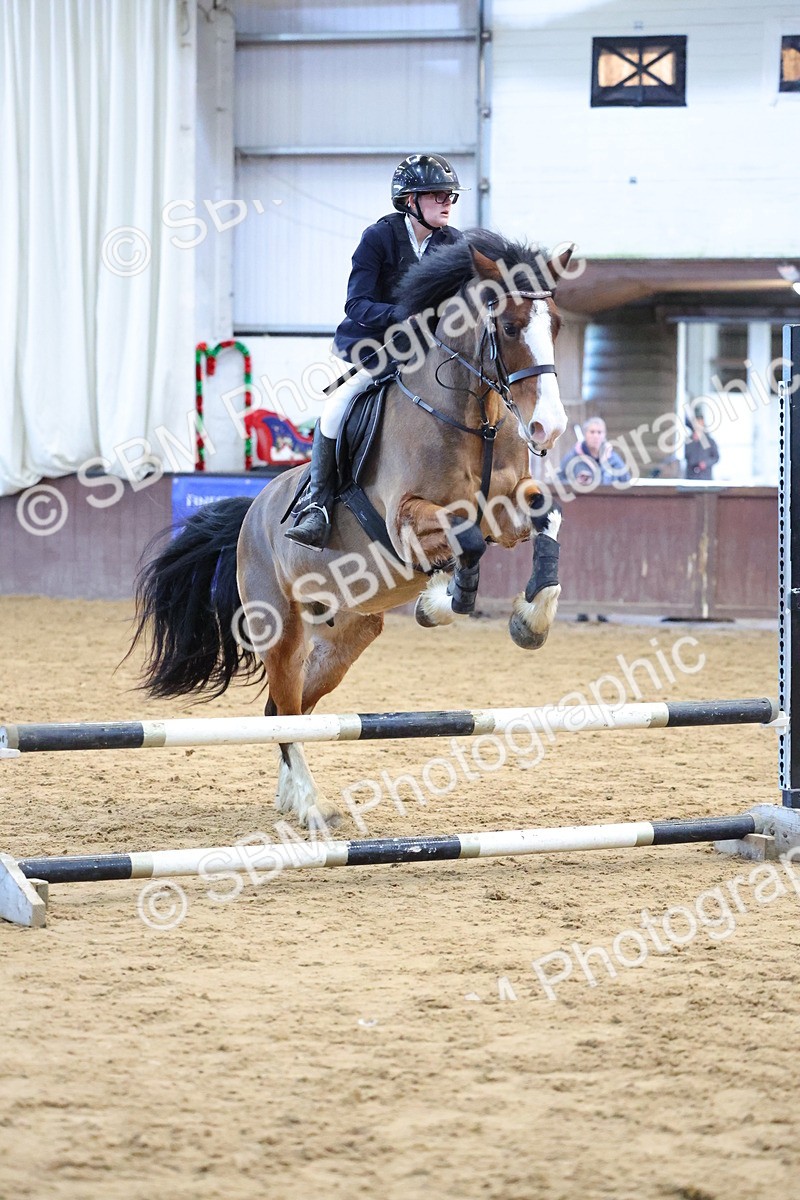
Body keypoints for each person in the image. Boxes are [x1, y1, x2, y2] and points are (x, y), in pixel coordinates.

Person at [285, 153, 466, 548]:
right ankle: (316, 503)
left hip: (428, 351)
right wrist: (404, 314)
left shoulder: (455, 244)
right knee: (337, 407)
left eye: (450, 195)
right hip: (375, 344)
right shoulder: (379, 237)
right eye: (436, 195)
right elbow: (357, 304)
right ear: (409, 200)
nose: (447, 202)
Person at [558, 417, 631, 488]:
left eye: (599, 432)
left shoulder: (613, 459)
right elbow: (557, 482)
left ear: (604, 435)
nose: (596, 436)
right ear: (585, 434)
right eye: (592, 432)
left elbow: (626, 483)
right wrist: (575, 484)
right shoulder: (572, 457)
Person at [684, 408, 720, 480]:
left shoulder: (709, 441)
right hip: (691, 477)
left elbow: (716, 457)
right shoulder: (689, 440)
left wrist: (706, 463)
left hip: (705, 477)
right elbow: (687, 456)